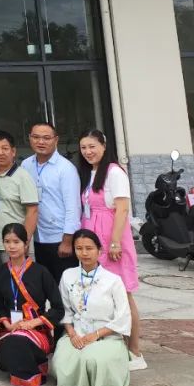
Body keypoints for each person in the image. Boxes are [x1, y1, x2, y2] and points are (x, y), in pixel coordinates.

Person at [77, 129, 144, 371]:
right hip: (92, 235)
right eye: (84, 147)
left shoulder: (114, 172)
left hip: (110, 238)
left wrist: (115, 241)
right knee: (100, 294)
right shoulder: (89, 173)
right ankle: (113, 346)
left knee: (123, 294)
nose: (88, 152)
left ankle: (135, 351)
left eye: (92, 146)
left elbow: (122, 208)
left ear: (104, 146)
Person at [53, 229, 131, 386]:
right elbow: (64, 310)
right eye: (79, 248)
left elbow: (123, 317)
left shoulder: (113, 280)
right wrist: (72, 334)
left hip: (107, 335)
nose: (84, 253)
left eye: (89, 248)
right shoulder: (68, 275)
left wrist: (96, 335)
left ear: (99, 250)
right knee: (61, 360)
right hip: (77, 332)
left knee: (92, 360)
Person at [0, 223, 64, 386]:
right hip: (10, 330)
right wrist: (8, 325)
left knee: (17, 345)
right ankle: (34, 366)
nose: (11, 246)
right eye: (7, 241)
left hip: (37, 331)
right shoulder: (1, 272)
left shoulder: (41, 272)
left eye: (16, 242)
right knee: (2, 357)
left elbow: (58, 308)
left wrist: (33, 323)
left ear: (26, 244)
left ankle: (29, 370)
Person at [22, 122, 80, 284]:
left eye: (46, 138)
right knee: (46, 286)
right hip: (38, 237)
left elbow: (73, 207)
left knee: (65, 286)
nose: (41, 142)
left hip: (59, 238)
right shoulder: (26, 165)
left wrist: (67, 241)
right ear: (29, 138)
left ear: (56, 140)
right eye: (36, 137)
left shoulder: (66, 168)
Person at [0, 131, 39, 266]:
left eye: (5, 148)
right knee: (0, 277)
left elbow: (32, 211)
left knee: (20, 278)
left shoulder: (23, 177)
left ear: (13, 151)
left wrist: (24, 241)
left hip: (15, 243)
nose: (0, 152)